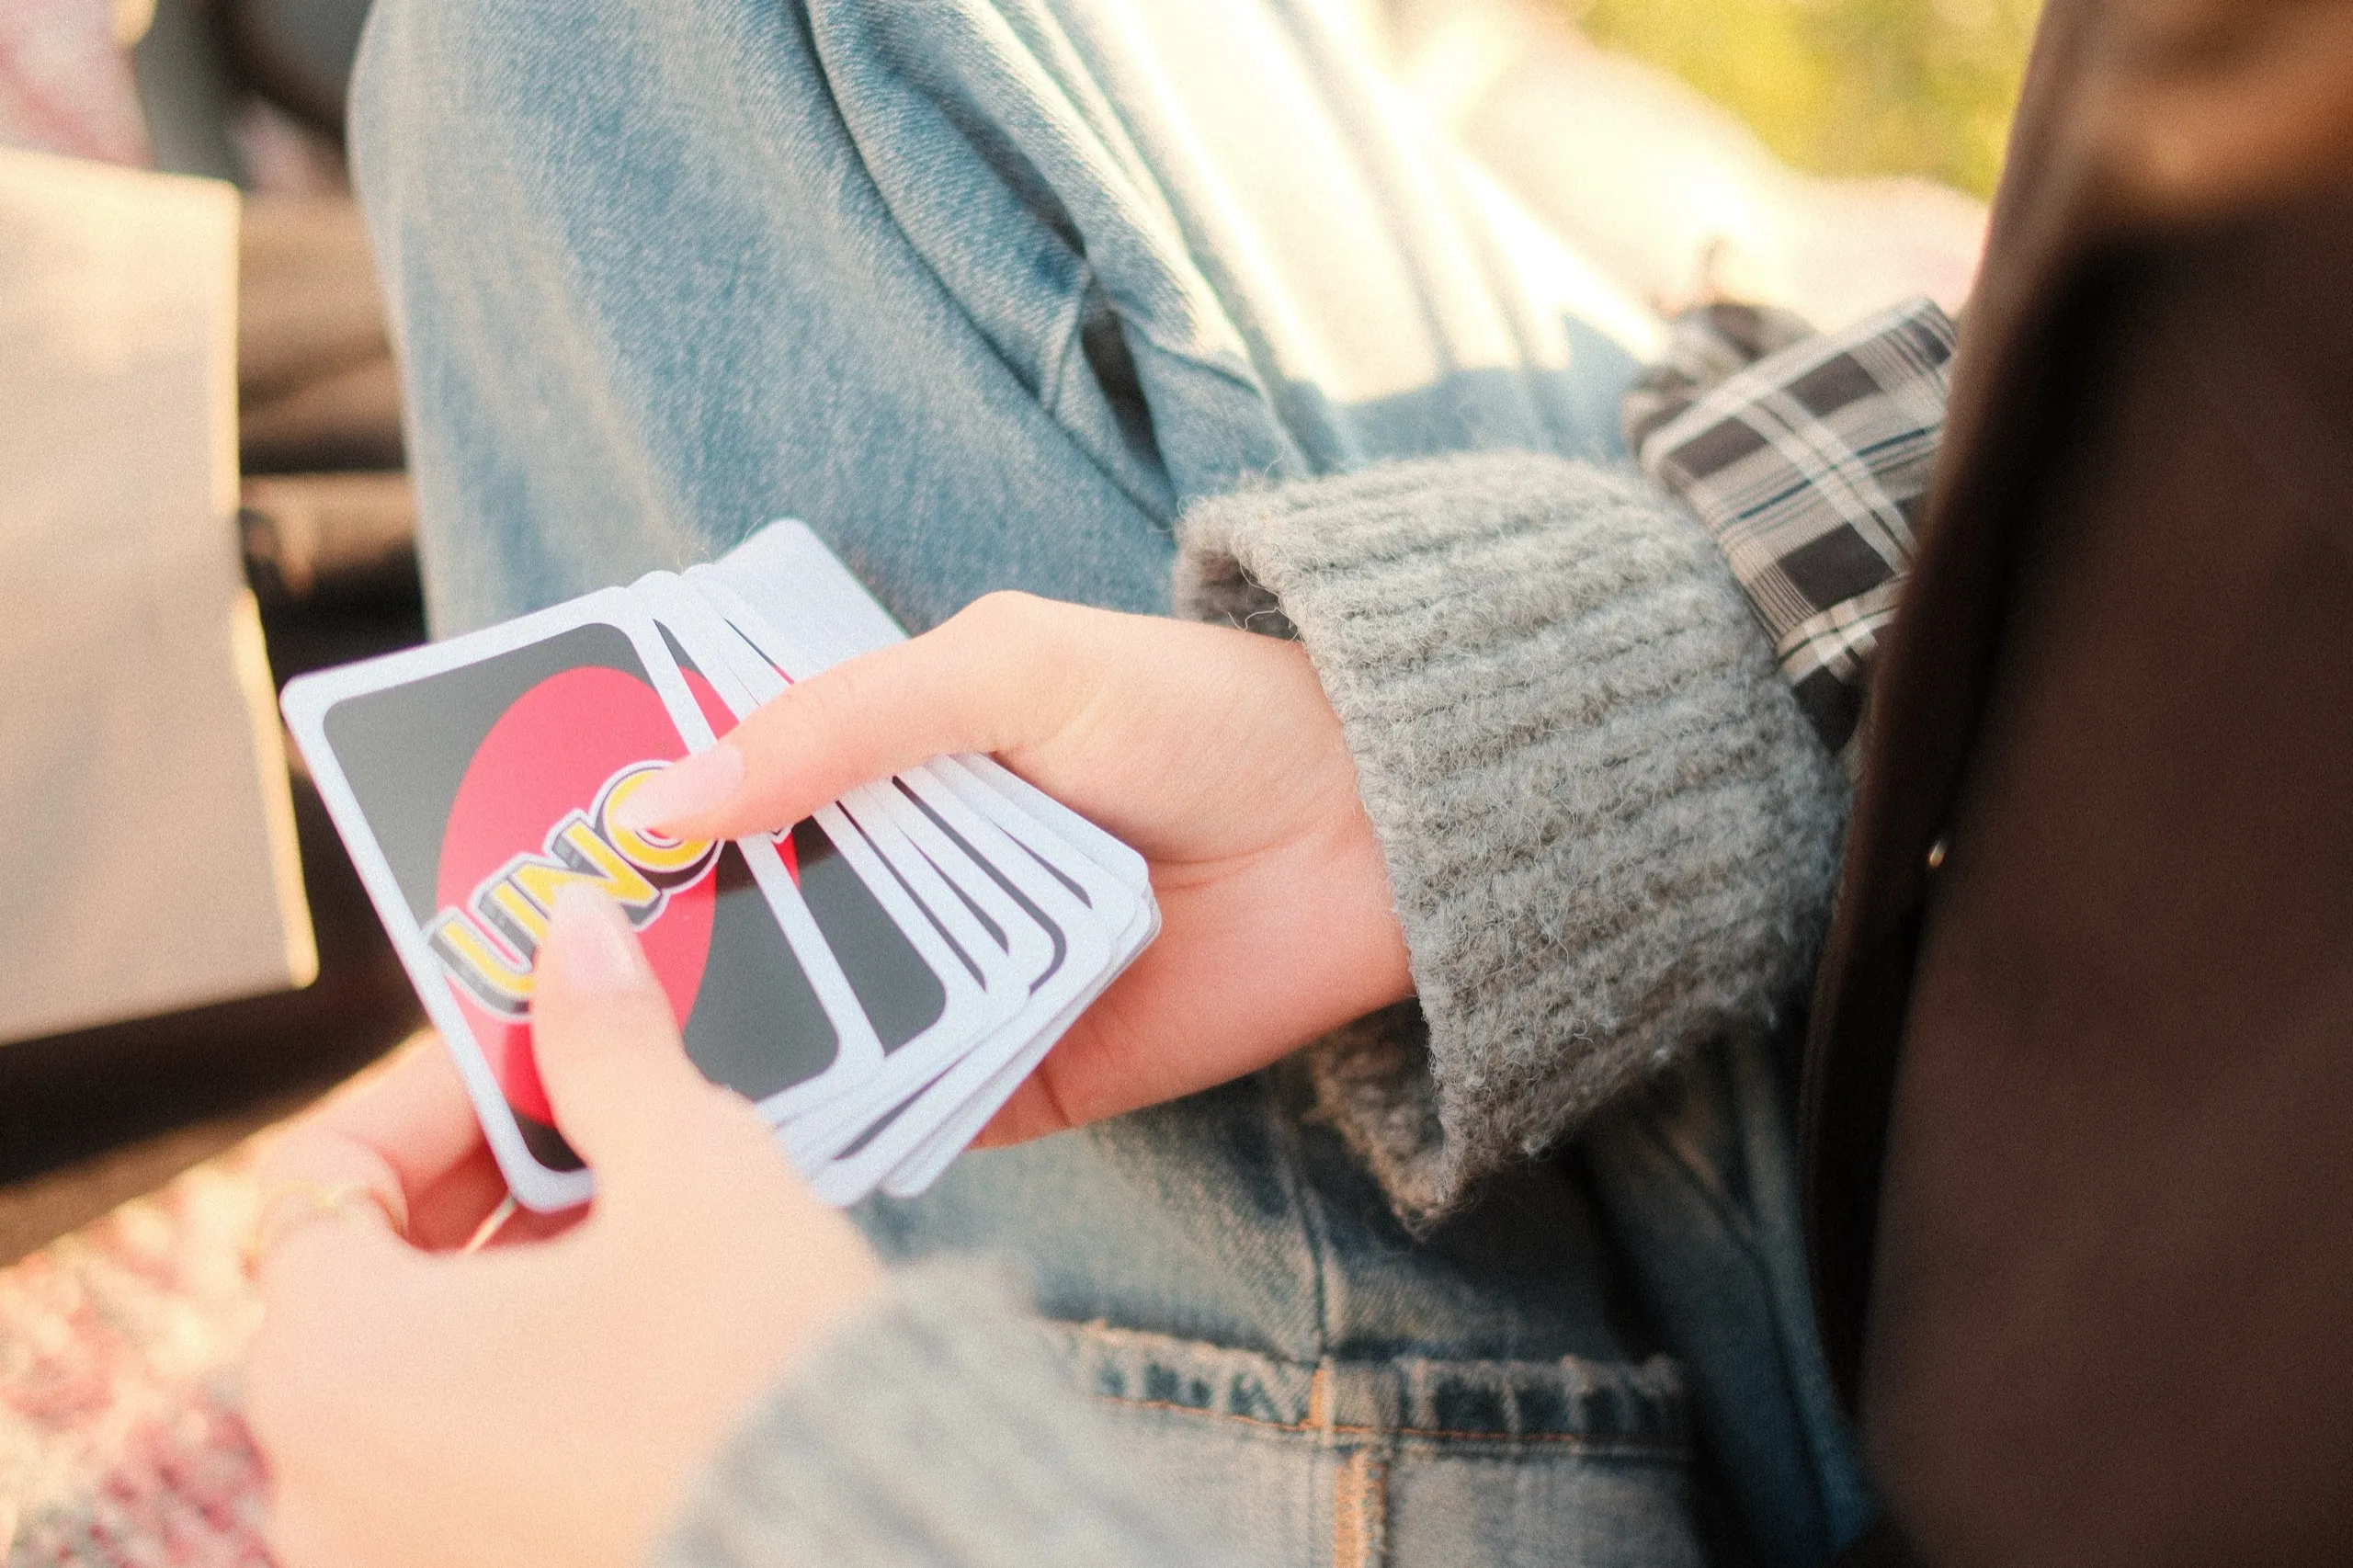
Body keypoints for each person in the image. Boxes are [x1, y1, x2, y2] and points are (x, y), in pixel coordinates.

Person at [239, 0, 2003, 1564]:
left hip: (1964, 1317)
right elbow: (2208, 503)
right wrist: (1527, 727)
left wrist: (796, 1509)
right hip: (1950, 890)